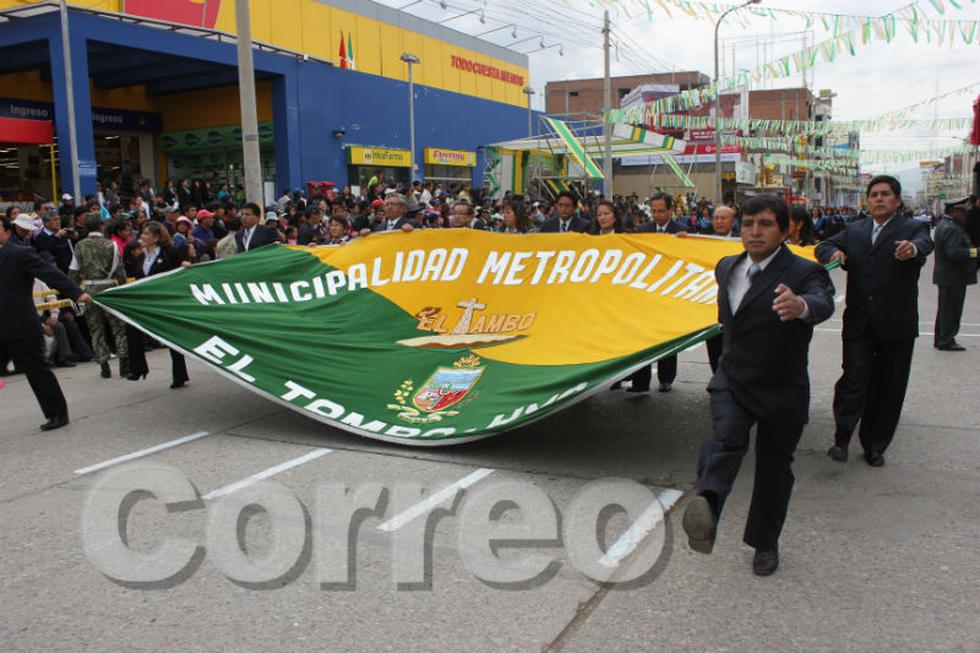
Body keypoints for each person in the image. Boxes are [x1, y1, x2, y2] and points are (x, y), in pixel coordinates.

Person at [682, 194, 835, 577]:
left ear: (785, 230)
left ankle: (765, 543)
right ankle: (708, 508)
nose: (755, 232)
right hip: (733, 378)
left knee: (775, 468)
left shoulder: (803, 271)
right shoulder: (726, 267)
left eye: (766, 224)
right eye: (748, 224)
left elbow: (823, 300)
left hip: (782, 386)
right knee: (725, 439)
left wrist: (802, 307)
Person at [815, 175, 934, 467]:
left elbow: (924, 244)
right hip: (859, 322)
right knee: (853, 378)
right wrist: (834, 252)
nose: (879, 199)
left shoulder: (912, 227)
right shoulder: (854, 230)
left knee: (888, 385)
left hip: (897, 323)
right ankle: (842, 438)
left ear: (897, 200)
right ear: (867, 201)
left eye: (885, 194)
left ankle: (875, 444)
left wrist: (912, 249)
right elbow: (823, 246)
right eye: (874, 194)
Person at [0, 216, 92, 430]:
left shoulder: (19, 254)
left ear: (6, 231)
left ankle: (57, 414)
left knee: (38, 372)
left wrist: (76, 293)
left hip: (20, 326)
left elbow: (49, 273)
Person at [125, 222, 191, 388]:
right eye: (142, 234)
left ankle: (180, 374)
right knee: (131, 326)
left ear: (156, 237)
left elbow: (180, 272)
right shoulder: (140, 257)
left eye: (146, 234)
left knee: (171, 338)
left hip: (166, 302)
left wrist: (185, 266)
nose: (142, 237)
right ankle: (138, 368)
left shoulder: (169, 253)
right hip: (147, 302)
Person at [636, 192, 689, 391]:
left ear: (670, 211)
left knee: (667, 335)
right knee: (645, 336)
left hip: (670, 289)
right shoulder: (642, 230)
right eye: (654, 211)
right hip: (647, 289)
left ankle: (666, 378)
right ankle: (641, 380)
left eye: (661, 211)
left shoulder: (682, 230)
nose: (657, 215)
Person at [69, 214, 129, 379]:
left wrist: (74, 292)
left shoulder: (79, 246)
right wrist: (124, 288)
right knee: (118, 327)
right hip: (109, 287)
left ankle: (104, 365)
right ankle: (124, 362)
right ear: (101, 226)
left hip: (89, 288)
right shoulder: (112, 245)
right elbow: (120, 270)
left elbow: (73, 272)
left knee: (96, 329)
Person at [932, 196, 978, 351]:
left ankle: (941, 338)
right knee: (951, 310)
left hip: (948, 276)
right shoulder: (951, 228)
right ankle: (946, 339)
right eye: (963, 211)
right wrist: (975, 252)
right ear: (955, 211)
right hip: (953, 276)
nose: (966, 214)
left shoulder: (947, 225)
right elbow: (955, 253)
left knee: (945, 310)